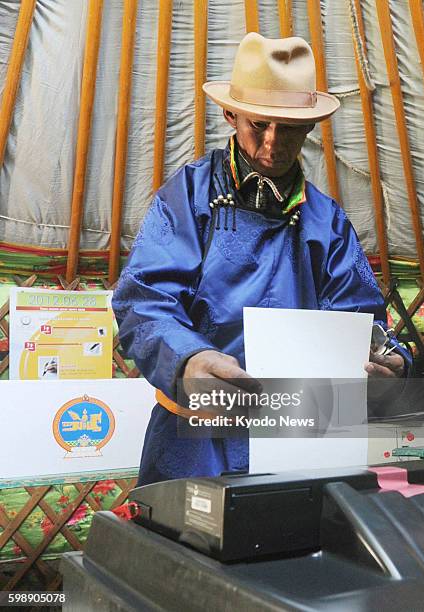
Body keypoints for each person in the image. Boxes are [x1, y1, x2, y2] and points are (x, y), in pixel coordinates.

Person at [113, 33, 406, 485]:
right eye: (258, 125)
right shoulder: (188, 197)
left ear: (310, 128)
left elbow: (361, 321)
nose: (272, 144)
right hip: (196, 438)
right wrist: (188, 360)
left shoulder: (327, 221)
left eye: (288, 129)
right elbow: (144, 302)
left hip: (302, 439)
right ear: (231, 115)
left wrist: (390, 359)